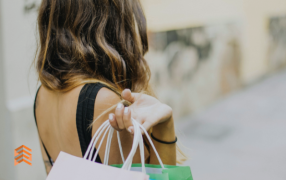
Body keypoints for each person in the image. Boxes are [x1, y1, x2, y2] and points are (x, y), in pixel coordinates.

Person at [33, 0, 184, 174]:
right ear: (115, 23)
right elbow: (155, 177)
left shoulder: (42, 96)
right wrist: (165, 128)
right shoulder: (105, 101)